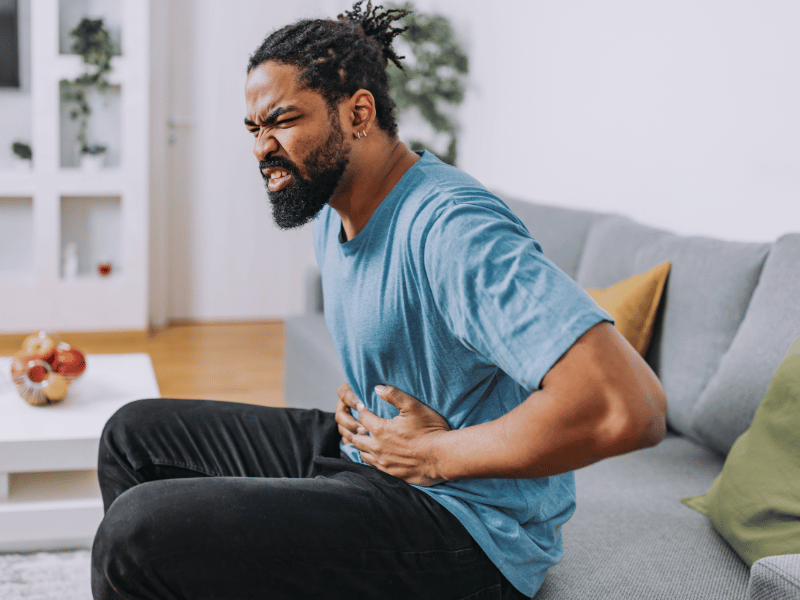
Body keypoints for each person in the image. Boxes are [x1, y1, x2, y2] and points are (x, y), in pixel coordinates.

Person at [91, 2, 667, 598]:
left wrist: (438, 455)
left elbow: (627, 405)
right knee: (131, 435)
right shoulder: (331, 208)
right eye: (254, 128)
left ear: (358, 111)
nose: (263, 147)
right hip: (376, 461)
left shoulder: (453, 228)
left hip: (466, 524)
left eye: (283, 120)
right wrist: (367, 403)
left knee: (137, 534)